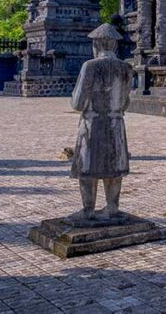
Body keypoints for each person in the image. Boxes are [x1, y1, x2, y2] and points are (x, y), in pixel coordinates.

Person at [69, 24, 132, 220]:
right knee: (114, 166)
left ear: (96, 44)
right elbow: (126, 101)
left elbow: (78, 103)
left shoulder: (90, 66)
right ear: (113, 45)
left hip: (93, 123)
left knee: (88, 167)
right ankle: (112, 206)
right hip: (116, 123)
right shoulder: (126, 67)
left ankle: (88, 209)